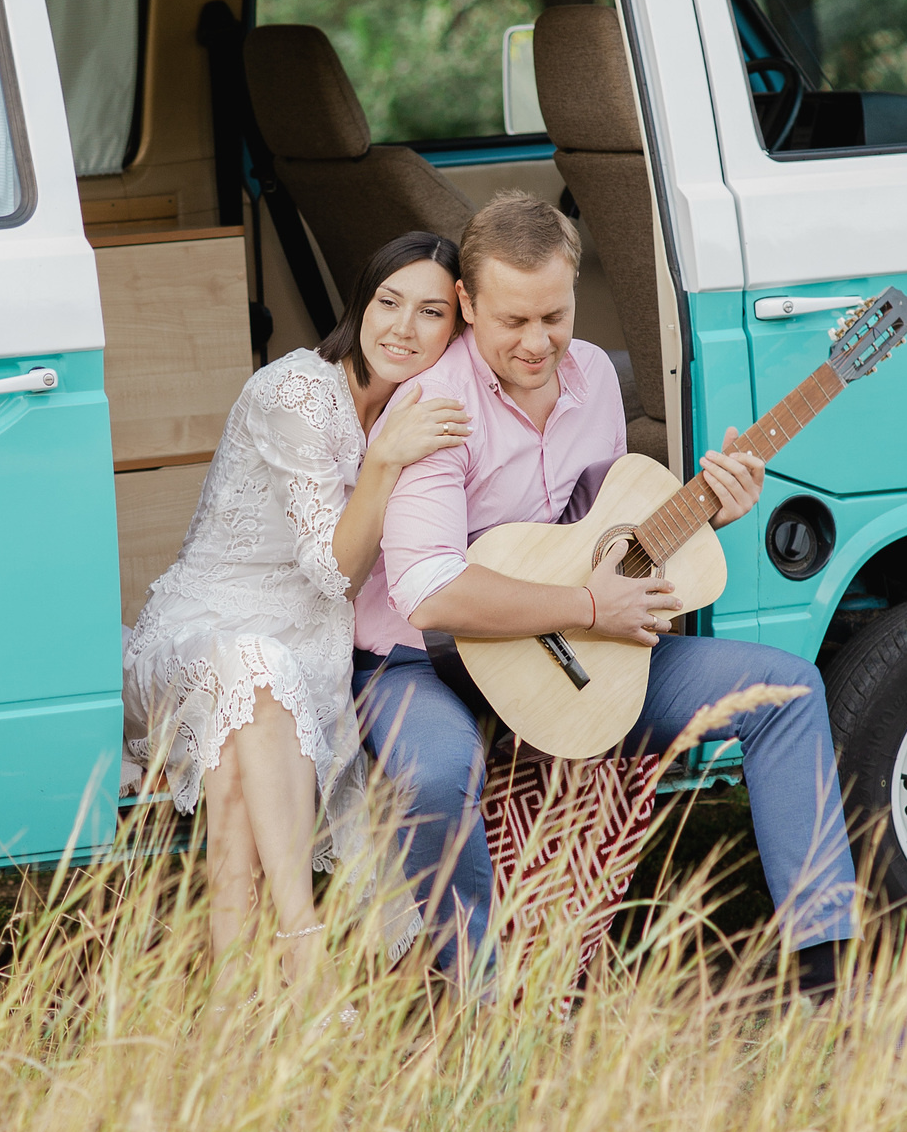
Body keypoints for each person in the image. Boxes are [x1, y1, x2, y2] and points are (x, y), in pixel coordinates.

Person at [351, 191, 859, 993]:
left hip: (555, 655)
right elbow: (428, 592)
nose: (536, 342)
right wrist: (589, 609)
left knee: (787, 690)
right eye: (512, 321)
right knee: (435, 774)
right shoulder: (434, 409)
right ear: (466, 303)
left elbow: (598, 537)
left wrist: (707, 515)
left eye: (553, 316)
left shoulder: (588, 375)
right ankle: (482, 1000)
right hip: (420, 662)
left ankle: (826, 965)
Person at [124, 231, 471, 996]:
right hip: (196, 633)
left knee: (252, 728)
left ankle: (237, 990)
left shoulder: (422, 406)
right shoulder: (295, 392)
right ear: (360, 301)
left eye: (430, 312)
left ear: (457, 325)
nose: (401, 329)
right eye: (387, 303)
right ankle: (302, 946)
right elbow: (334, 569)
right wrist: (383, 462)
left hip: (306, 647)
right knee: (252, 668)